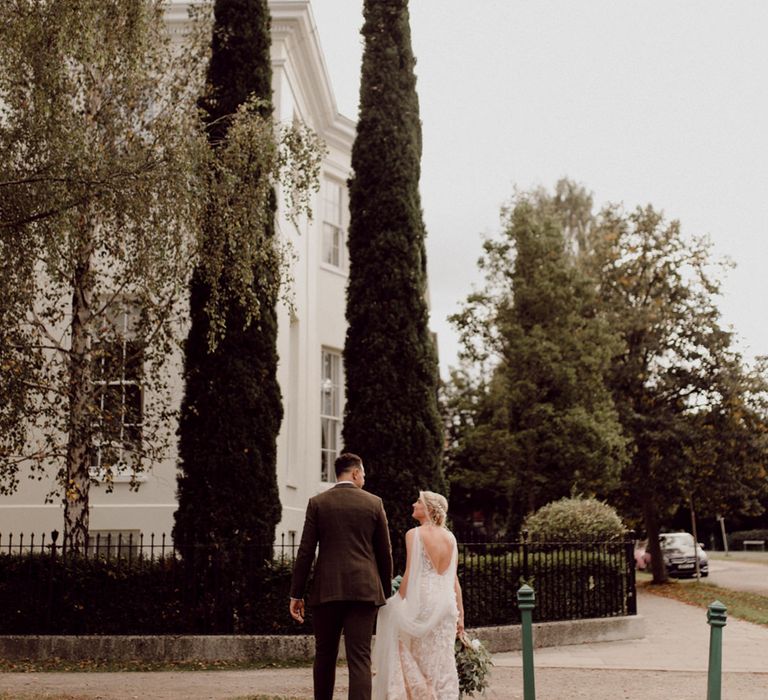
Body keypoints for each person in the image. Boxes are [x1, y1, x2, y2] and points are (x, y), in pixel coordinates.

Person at [289, 453, 393, 700]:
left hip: (326, 591)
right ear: (356, 473)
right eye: (364, 473)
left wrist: (296, 593)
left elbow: (305, 552)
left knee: (324, 655)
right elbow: (384, 552)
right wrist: (385, 591)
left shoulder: (317, 503)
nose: (364, 478)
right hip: (364, 591)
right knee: (360, 658)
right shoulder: (374, 503)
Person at [372, 491, 464, 700]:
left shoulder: (414, 534)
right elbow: (454, 579)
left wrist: (397, 599)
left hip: (424, 600)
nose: (414, 504)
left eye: (418, 502)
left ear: (429, 509)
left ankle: (419, 694)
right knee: (442, 660)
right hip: (447, 604)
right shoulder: (450, 537)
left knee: (410, 650)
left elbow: (410, 572)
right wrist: (461, 615)